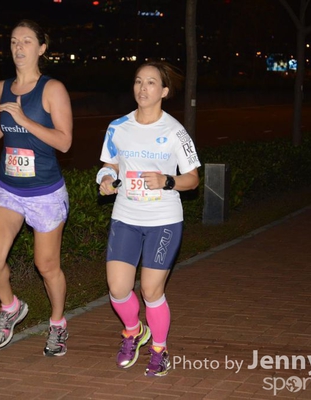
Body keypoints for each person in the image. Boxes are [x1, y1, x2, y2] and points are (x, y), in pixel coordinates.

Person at [96, 61, 201, 376]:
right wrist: (106, 179)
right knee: (118, 288)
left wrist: (167, 181)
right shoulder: (117, 127)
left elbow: (193, 179)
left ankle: (159, 349)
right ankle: (133, 331)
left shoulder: (175, 131)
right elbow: (109, 165)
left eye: (151, 82)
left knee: (151, 291)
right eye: (138, 81)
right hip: (126, 217)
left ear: (164, 91)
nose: (143, 88)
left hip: (163, 220)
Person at [0, 19, 73, 356]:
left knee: (46, 266)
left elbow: (64, 142)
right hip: (9, 189)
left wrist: (25, 121)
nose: (19, 47)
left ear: (42, 48)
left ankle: (58, 323)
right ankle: (10, 307)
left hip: (45, 193)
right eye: (14, 41)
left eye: (27, 41)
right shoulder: (3, 87)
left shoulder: (52, 89)